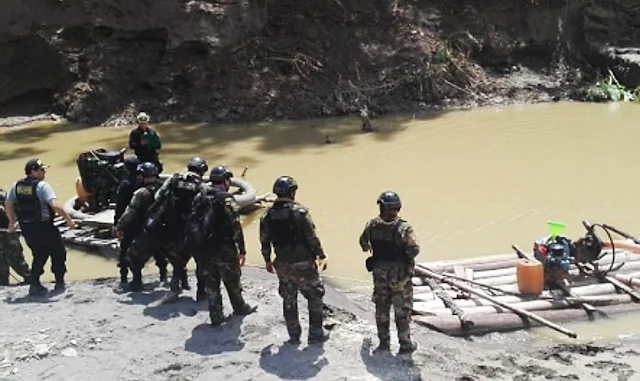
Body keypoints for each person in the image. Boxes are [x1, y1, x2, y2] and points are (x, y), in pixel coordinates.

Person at [259, 176, 329, 344]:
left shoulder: (267, 215)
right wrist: (321, 255)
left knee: (289, 299)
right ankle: (316, 333)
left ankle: (293, 335)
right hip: (303, 262)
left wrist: (267, 260)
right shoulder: (300, 213)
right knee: (315, 296)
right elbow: (312, 238)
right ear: (292, 192)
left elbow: (264, 240)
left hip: (282, 263)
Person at [190, 165, 256, 325]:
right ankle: (239, 307)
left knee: (211, 282)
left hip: (204, 247)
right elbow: (235, 226)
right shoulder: (226, 199)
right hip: (223, 247)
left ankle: (216, 315)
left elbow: (193, 221)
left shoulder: (200, 197)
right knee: (232, 279)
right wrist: (242, 250)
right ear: (226, 181)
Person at [359, 191, 420, 354]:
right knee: (402, 310)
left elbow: (363, 243)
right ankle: (405, 343)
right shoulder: (404, 228)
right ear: (398, 208)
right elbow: (414, 249)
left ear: (382, 207)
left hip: (379, 273)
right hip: (400, 275)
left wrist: (373, 249)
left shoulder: (371, 225)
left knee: (382, 308)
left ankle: (384, 343)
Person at [4, 159, 76, 295]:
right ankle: (59, 283)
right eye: (42, 170)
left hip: (27, 229)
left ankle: (35, 284)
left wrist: (11, 222)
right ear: (34, 171)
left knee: (39, 254)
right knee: (58, 252)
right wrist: (68, 219)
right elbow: (55, 205)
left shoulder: (16, 186)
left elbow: (8, 203)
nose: (45, 172)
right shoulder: (43, 186)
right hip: (44, 226)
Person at [153, 157, 209, 298]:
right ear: (202, 170)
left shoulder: (174, 179)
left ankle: (176, 285)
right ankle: (201, 292)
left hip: (173, 226)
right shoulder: (202, 186)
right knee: (200, 260)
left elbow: (158, 196)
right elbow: (207, 206)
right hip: (193, 228)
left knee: (179, 259)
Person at [115, 162, 165, 291]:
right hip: (160, 228)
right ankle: (165, 278)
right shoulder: (163, 189)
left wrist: (119, 226)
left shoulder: (141, 193)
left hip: (140, 228)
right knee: (160, 253)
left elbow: (130, 212)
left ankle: (134, 282)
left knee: (131, 256)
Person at [0, 189, 31, 286]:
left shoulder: (3, 196)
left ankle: (29, 278)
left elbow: (13, 211)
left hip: (8, 232)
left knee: (15, 257)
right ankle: (3, 282)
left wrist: (13, 224)